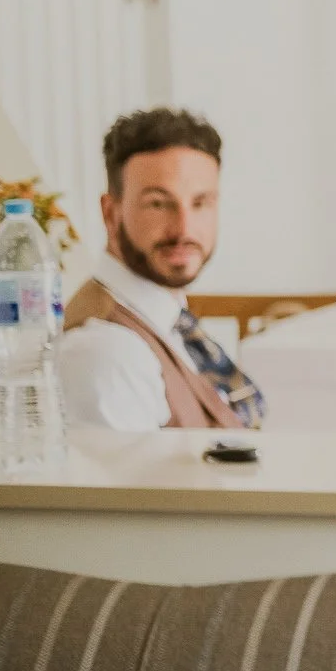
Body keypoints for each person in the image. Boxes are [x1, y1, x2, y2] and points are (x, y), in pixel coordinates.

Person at [60, 108, 265, 431]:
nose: (183, 228)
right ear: (111, 213)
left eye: (200, 203)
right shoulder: (107, 352)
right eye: (158, 203)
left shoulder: (171, 319)